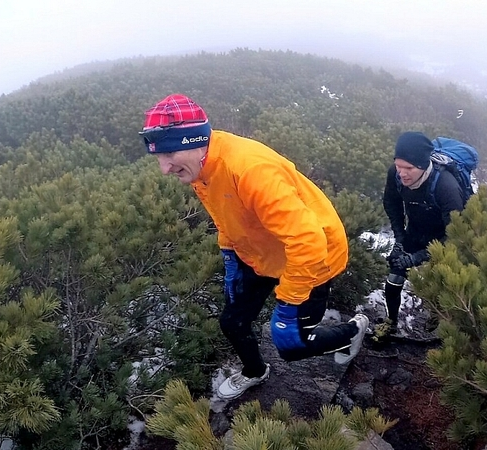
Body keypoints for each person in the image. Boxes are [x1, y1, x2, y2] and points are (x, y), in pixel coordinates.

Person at [139, 94, 369, 400]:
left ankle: (352, 331)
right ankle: (254, 371)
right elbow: (227, 214)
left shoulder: (248, 169)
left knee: (293, 345)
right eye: (158, 158)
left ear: (193, 141)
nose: (164, 169)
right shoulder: (200, 165)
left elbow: (307, 241)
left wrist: (287, 305)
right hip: (261, 253)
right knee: (232, 323)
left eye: (168, 155)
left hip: (312, 255)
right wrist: (230, 255)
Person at [381, 131, 466, 337]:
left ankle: (437, 317)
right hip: (415, 232)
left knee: (440, 283)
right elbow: (391, 203)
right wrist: (400, 241)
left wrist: (418, 258)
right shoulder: (396, 173)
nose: (402, 173)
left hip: (444, 239)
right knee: (394, 275)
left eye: (408, 168)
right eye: (398, 166)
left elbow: (456, 235)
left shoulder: (446, 186)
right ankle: (390, 323)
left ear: (422, 165)